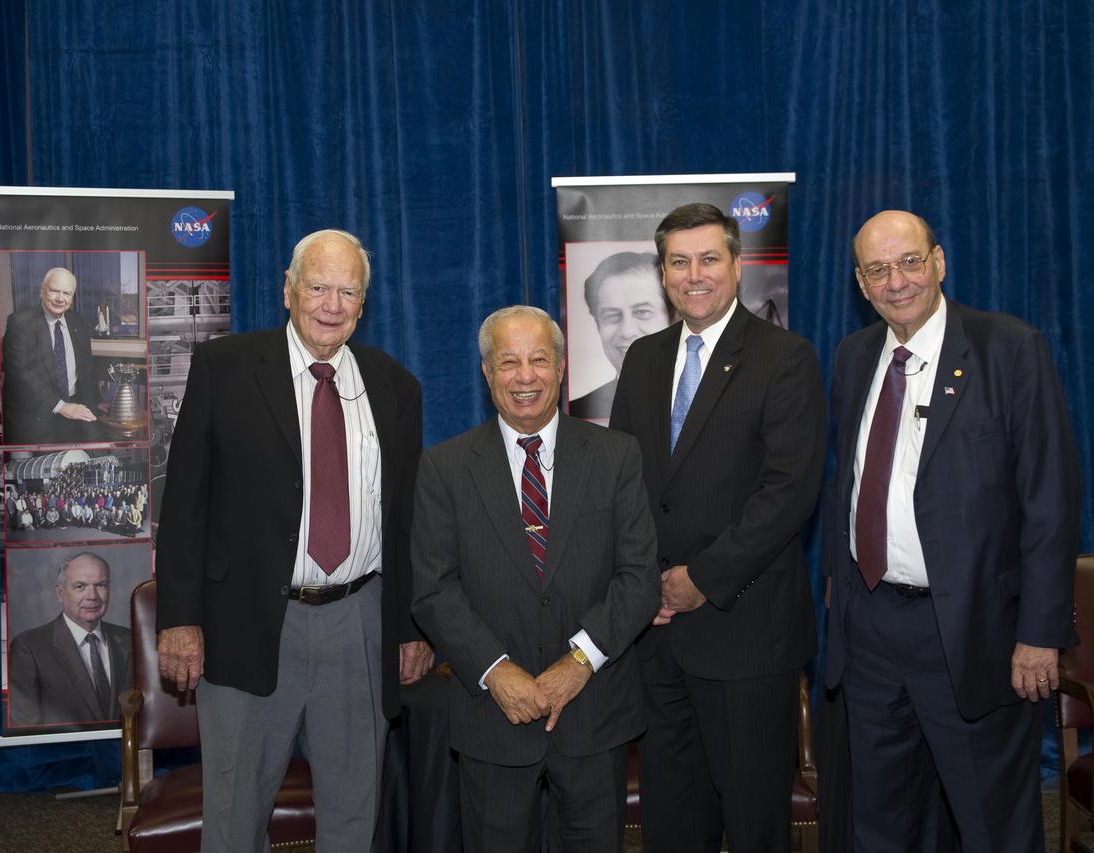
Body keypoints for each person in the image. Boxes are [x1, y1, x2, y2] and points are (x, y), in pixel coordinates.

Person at [155, 229, 432, 853]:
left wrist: (411, 626)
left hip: (360, 622)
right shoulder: (224, 369)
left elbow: (408, 519)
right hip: (249, 621)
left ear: (364, 304)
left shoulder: (396, 388)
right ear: (288, 290)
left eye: (348, 291)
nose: (331, 304)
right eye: (318, 287)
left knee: (353, 815)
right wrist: (179, 620)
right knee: (233, 817)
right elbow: (183, 506)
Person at [822, 210, 1080, 853]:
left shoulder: (1008, 349)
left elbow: (1050, 500)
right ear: (860, 283)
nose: (897, 280)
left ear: (939, 261)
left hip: (973, 633)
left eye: (910, 261)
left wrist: (1040, 635)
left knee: (992, 823)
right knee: (881, 822)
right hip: (873, 632)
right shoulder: (854, 357)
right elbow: (846, 483)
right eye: (878, 269)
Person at [609, 203, 826, 852]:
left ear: (738, 265)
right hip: (658, 636)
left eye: (708, 259)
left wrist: (700, 579)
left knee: (755, 819)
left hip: (745, 631)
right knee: (673, 819)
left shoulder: (784, 357)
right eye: (679, 262)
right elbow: (622, 485)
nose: (693, 274)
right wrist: (644, 584)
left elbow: (788, 493)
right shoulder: (643, 359)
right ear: (663, 272)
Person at [412, 305, 660, 851]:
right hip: (492, 718)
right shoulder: (445, 468)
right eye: (508, 362)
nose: (525, 376)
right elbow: (432, 588)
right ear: (485, 372)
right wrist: (498, 673)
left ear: (562, 366)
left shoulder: (616, 456)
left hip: (595, 715)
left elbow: (640, 577)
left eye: (539, 360)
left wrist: (577, 664)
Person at [8, 552, 132, 726]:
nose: (92, 596)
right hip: (65, 753)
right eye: (80, 586)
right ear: (60, 593)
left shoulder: (131, 641)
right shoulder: (29, 648)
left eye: (100, 585)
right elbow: (25, 726)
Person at [1, 267, 100, 445]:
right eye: (54, 290)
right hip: (34, 416)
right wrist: (61, 407)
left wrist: (97, 400)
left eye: (66, 293)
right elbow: (20, 374)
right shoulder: (19, 323)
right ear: (42, 290)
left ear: (72, 297)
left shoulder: (79, 322)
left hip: (71, 415)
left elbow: (86, 369)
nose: (60, 299)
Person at [568, 252, 670, 420]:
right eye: (612, 316)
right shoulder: (576, 414)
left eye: (642, 312)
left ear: (673, 318)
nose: (627, 331)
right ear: (597, 324)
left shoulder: (702, 400)